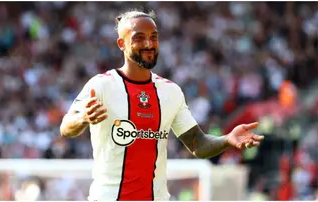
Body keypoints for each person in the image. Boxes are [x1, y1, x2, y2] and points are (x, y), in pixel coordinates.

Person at [60, 9, 264, 201]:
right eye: (139, 37)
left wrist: (227, 139)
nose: (149, 43)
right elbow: (66, 128)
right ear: (121, 44)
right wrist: (82, 118)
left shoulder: (170, 91)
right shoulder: (102, 85)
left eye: (154, 37)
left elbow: (198, 144)